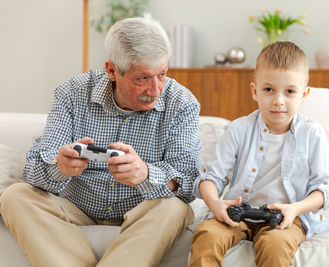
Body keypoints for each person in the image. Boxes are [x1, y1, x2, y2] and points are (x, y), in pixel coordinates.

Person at [0, 17, 201, 267]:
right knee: (15, 195)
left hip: (141, 211)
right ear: (112, 70)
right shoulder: (72, 93)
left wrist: (145, 173)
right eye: (143, 79)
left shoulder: (182, 103)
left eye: (162, 75)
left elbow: (189, 181)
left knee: (174, 209)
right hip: (75, 207)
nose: (156, 89)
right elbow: (32, 170)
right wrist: (59, 166)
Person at [189, 41, 329, 267]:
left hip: (287, 218)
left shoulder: (312, 133)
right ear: (254, 91)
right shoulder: (239, 129)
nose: (279, 100)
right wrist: (216, 204)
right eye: (269, 90)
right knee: (207, 235)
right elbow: (211, 177)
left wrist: (294, 208)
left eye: (289, 91)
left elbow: (324, 190)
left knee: (274, 246)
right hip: (239, 213)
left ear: (304, 94)